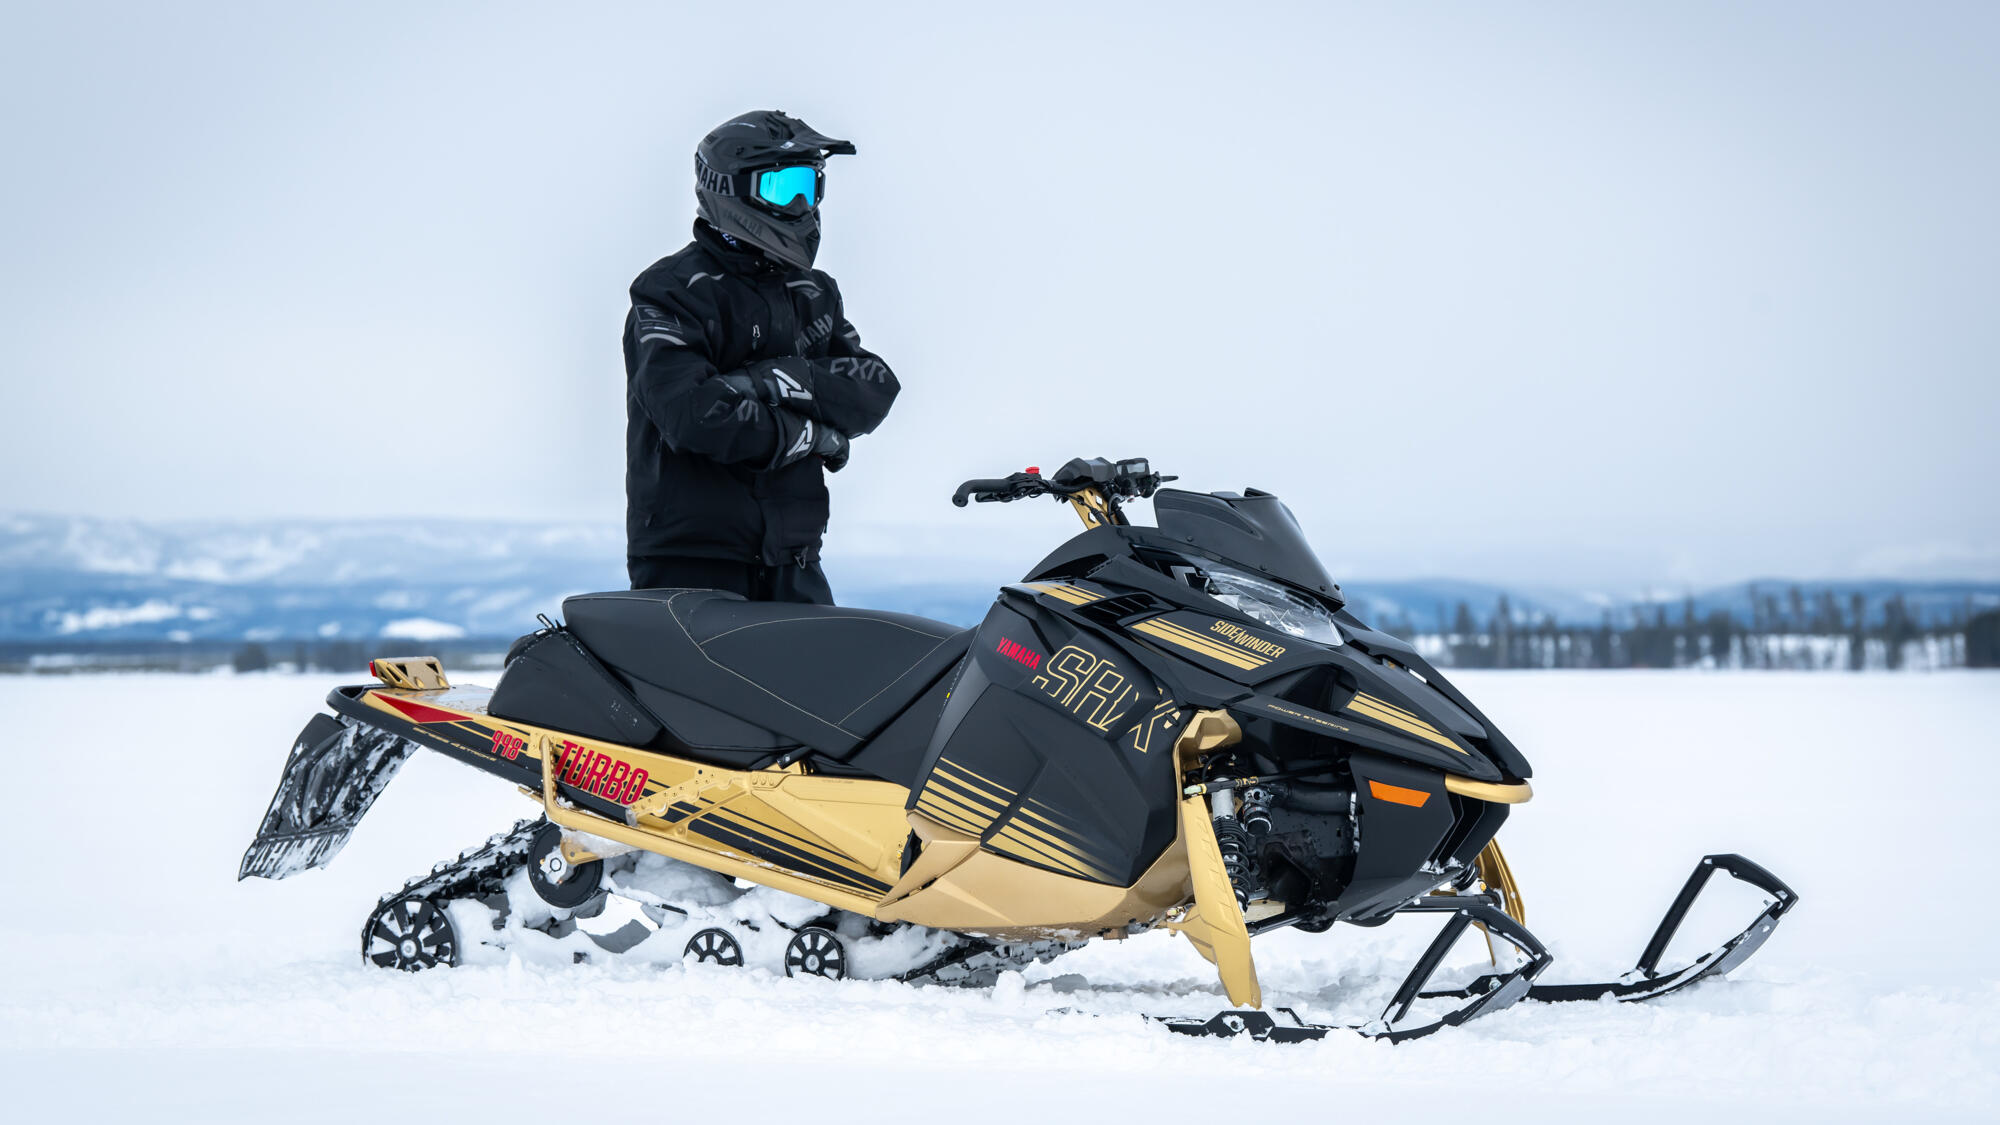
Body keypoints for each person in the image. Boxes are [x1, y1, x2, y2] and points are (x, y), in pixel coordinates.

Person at [622, 110, 899, 605]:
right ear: (728, 187)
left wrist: (772, 379)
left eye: (809, 186)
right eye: (781, 187)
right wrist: (812, 435)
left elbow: (873, 388)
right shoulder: (671, 291)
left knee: (839, 660)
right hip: (692, 560)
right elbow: (694, 415)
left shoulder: (813, 291)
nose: (800, 204)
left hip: (795, 556)